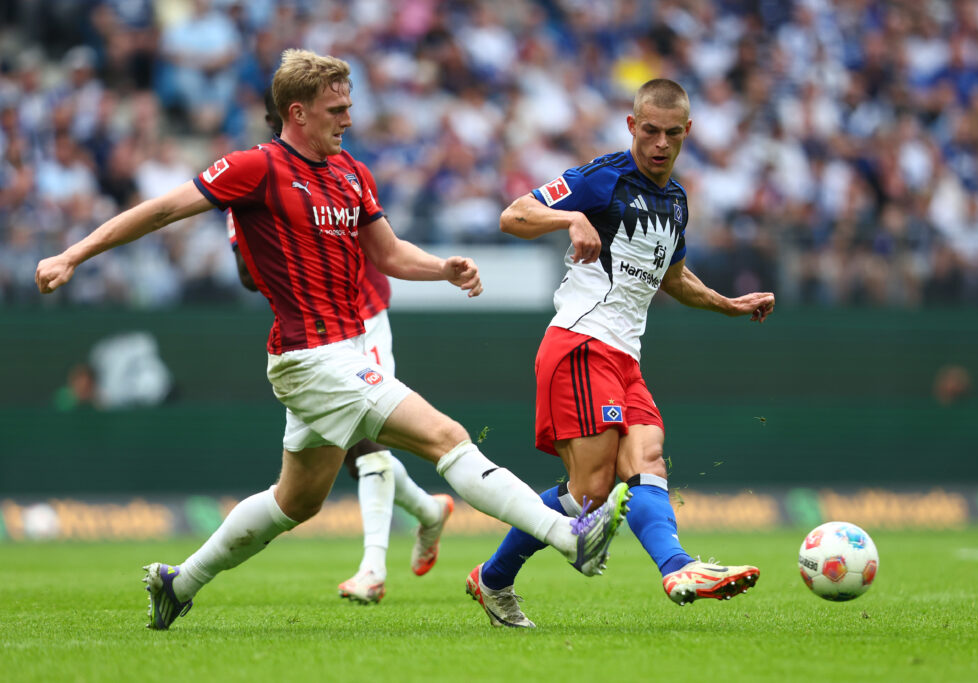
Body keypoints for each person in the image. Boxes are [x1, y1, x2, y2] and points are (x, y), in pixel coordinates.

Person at [35, 49, 632, 630]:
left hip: (342, 353)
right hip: (307, 358)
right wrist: (73, 254)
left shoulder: (352, 173)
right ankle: (568, 536)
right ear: (297, 112)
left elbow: (390, 254)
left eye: (349, 105)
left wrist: (442, 269)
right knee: (446, 436)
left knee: (295, 501)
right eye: (336, 108)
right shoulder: (257, 167)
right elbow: (163, 210)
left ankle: (179, 583)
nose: (349, 118)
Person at [465, 78, 775, 628]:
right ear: (632, 126)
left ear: (687, 133)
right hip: (581, 345)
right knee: (590, 496)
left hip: (625, 360)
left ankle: (678, 568)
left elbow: (674, 279)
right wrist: (570, 218)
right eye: (649, 131)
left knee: (648, 460)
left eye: (671, 134)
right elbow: (513, 215)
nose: (659, 143)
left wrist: (727, 304)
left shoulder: (675, 201)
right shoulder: (600, 178)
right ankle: (492, 579)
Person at [225, 90, 454, 604]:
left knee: (368, 443)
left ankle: (373, 568)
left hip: (363, 316)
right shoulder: (254, 184)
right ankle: (429, 511)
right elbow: (246, 275)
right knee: (350, 451)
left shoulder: (341, 172)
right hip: (311, 331)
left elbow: (384, 247)